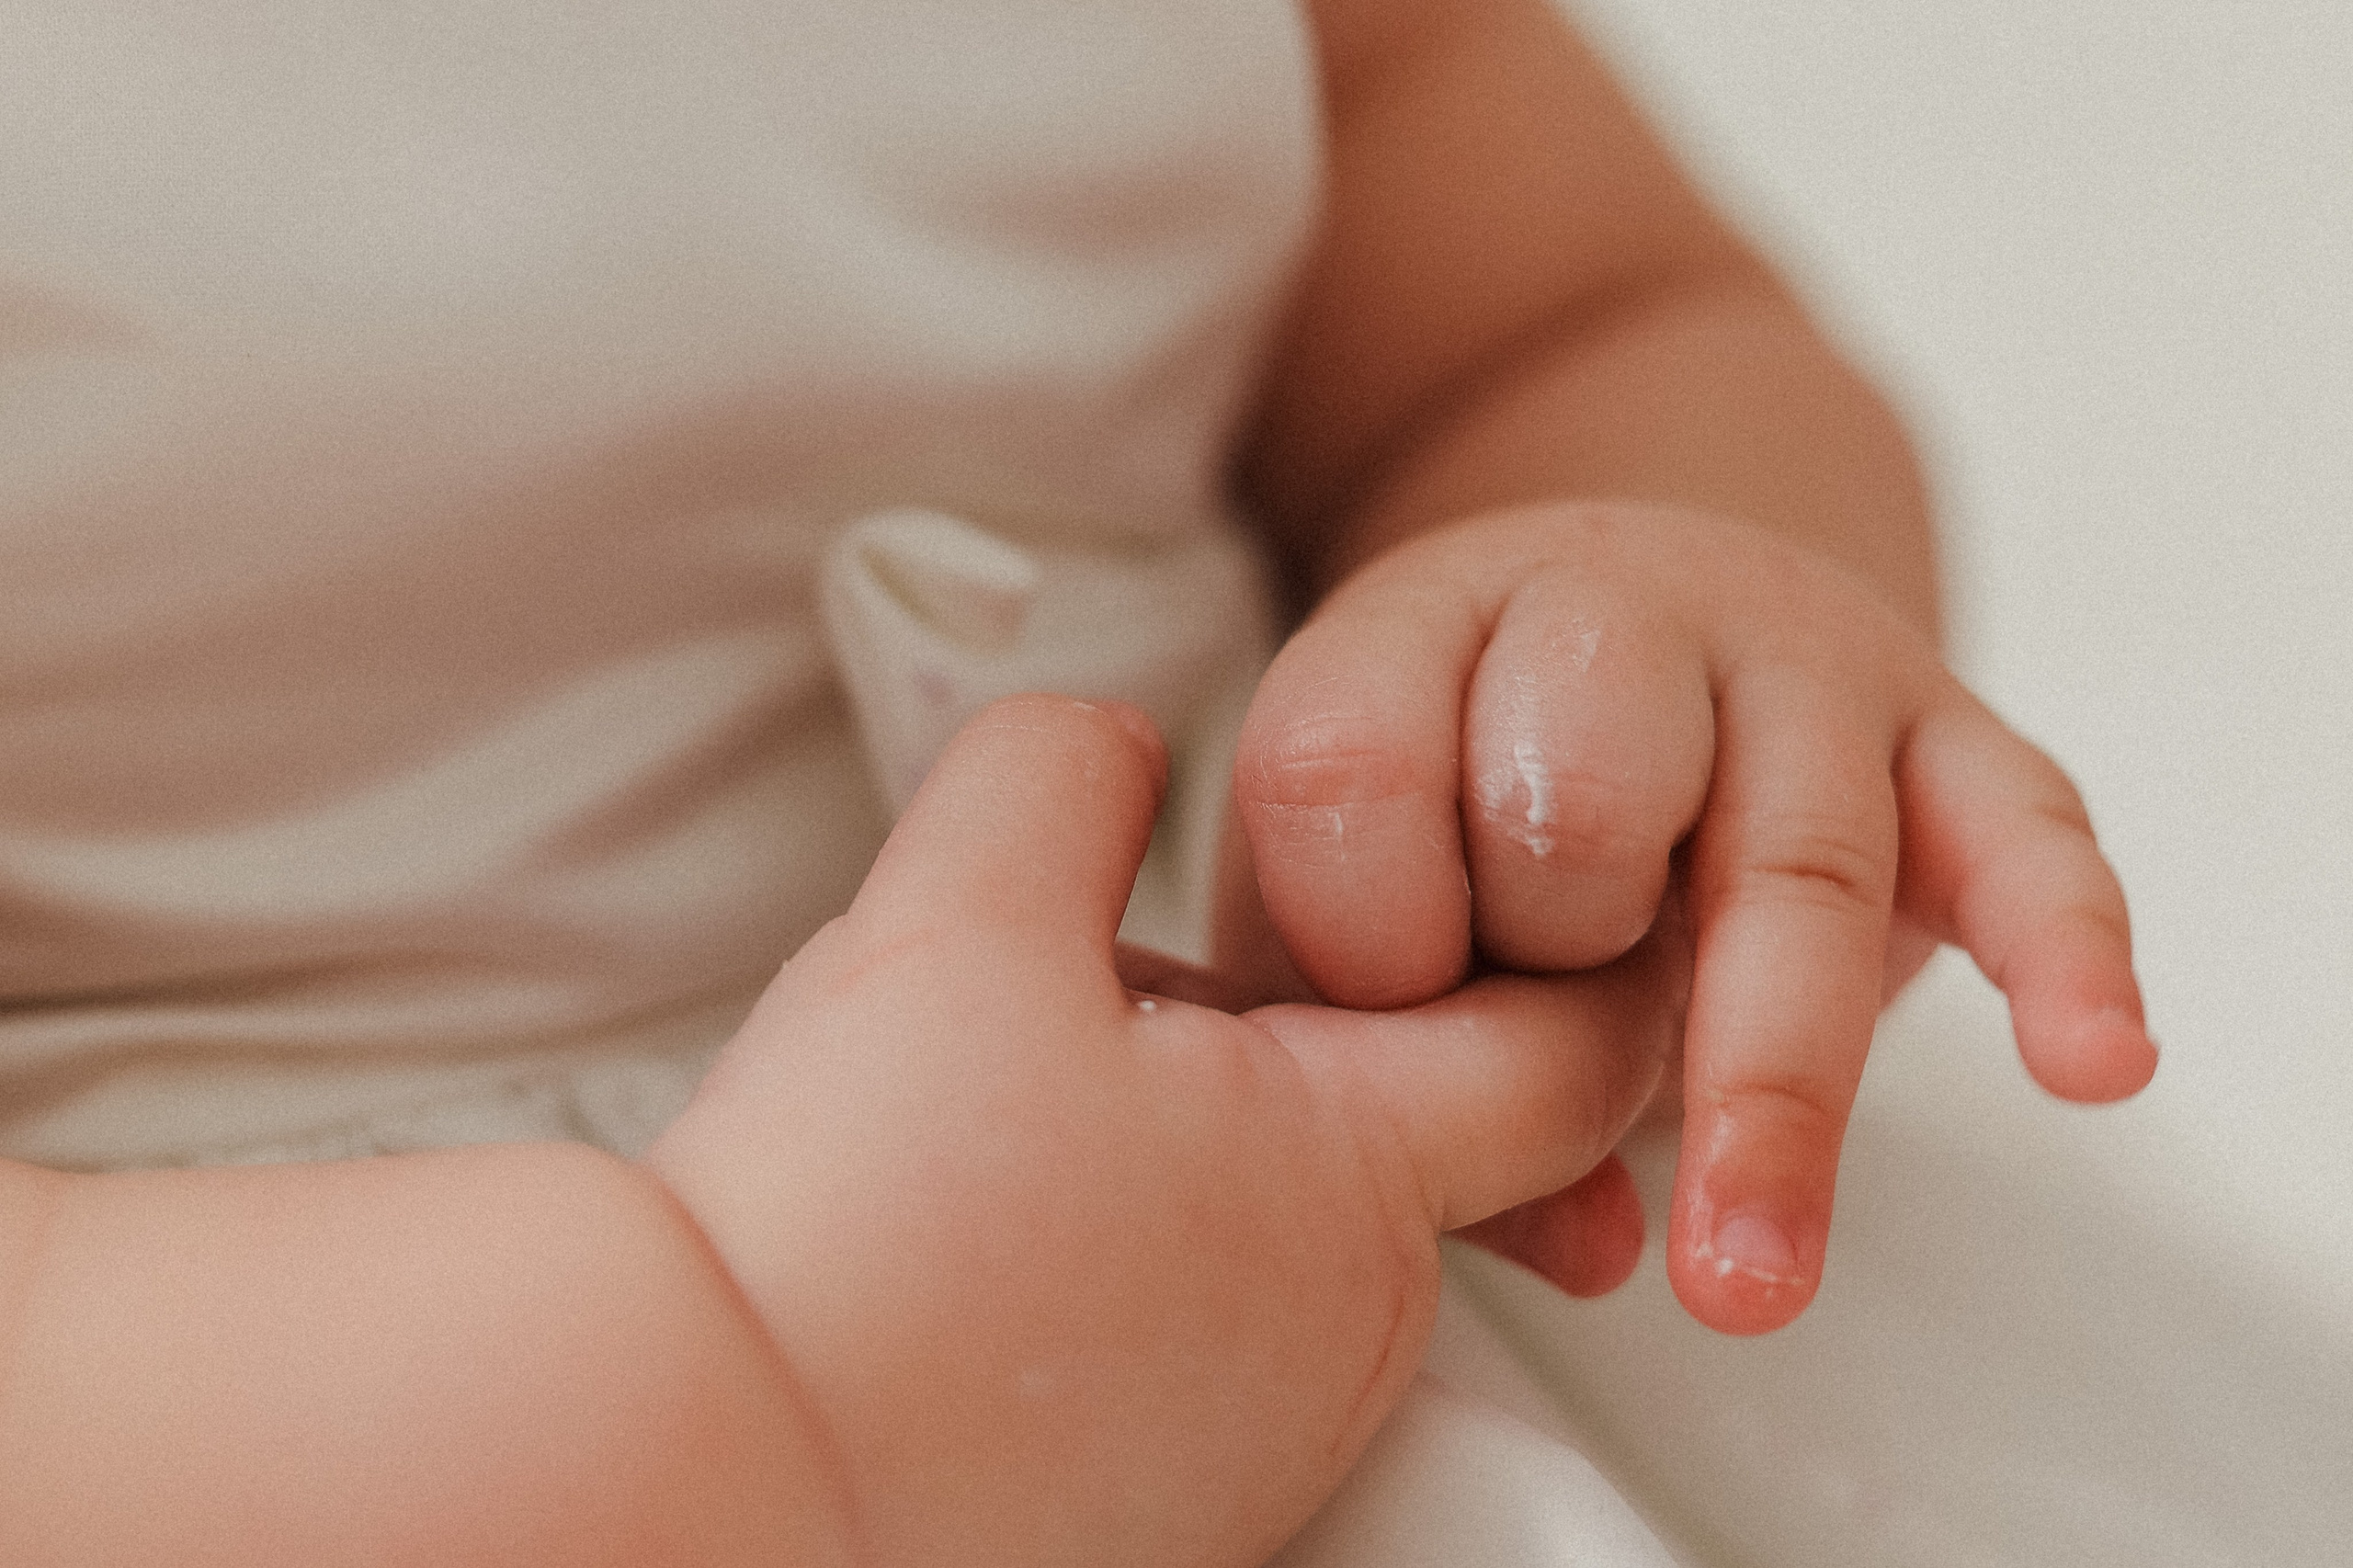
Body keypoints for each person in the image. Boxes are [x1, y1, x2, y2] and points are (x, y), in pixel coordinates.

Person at [0, 0, 2154, 1560]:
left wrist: (1621, 608)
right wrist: (786, 1385)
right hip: (350, 1414)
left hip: (1390, 1201)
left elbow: (1570, 306)